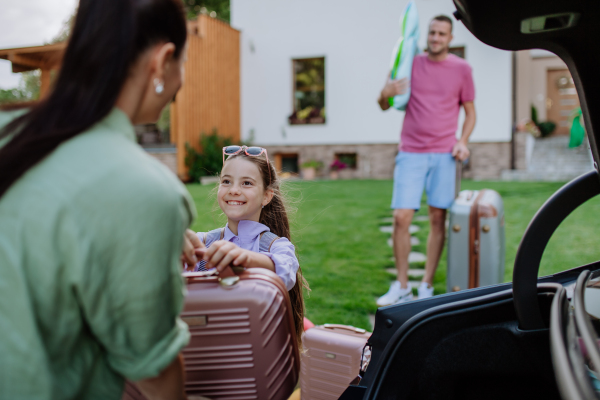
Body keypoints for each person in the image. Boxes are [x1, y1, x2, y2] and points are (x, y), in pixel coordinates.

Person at [0, 0, 202, 399]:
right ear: (162, 62)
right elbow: (154, 371)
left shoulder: (10, 130)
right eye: (183, 63)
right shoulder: (145, 190)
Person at [376, 15, 476, 306]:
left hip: (445, 154)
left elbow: (470, 113)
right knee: (401, 218)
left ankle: (427, 285)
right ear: (427, 35)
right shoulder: (409, 63)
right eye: (432, 33)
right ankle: (402, 285)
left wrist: (463, 141)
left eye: (442, 34)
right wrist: (386, 93)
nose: (435, 38)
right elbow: (383, 104)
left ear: (450, 37)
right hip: (411, 151)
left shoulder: (462, 69)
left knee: (437, 218)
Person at [192, 145, 307, 348]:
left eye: (247, 183)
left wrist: (245, 258)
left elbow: (285, 270)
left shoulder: (277, 247)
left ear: (266, 196)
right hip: (209, 350)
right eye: (226, 181)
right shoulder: (202, 242)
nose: (234, 190)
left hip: (258, 354)